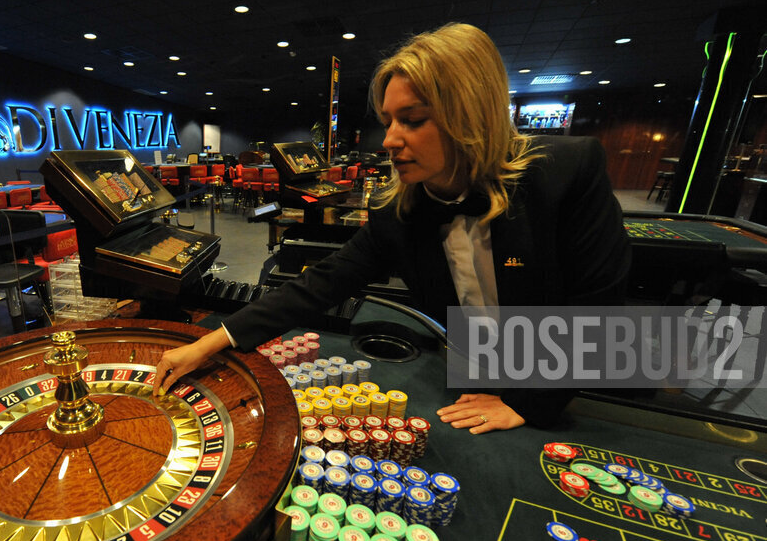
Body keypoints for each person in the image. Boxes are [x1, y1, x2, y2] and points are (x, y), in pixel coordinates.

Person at [154, 22, 631, 432]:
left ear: (472, 118)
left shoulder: (569, 171)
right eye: (388, 121)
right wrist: (209, 343)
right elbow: (320, 284)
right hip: (468, 373)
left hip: (561, 386)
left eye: (413, 120)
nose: (389, 140)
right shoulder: (399, 210)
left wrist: (528, 403)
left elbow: (600, 308)